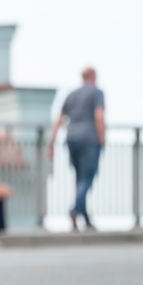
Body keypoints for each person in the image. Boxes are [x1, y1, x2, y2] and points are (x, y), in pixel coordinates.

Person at [47, 67, 106, 231]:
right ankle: (75, 209)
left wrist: (51, 143)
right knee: (87, 178)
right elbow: (99, 116)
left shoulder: (71, 95)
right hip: (90, 139)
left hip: (72, 139)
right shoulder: (97, 93)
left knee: (80, 179)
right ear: (94, 76)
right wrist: (102, 139)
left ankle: (85, 218)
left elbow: (59, 119)